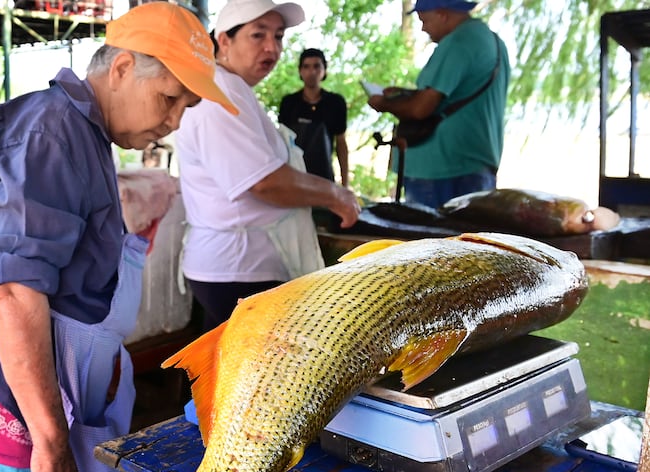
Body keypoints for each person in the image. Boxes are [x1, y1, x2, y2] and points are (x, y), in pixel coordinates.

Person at [0, 3, 237, 472]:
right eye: (169, 99)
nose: (172, 122)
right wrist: (52, 442)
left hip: (16, 369)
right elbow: (15, 292)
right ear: (123, 68)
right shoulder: (52, 131)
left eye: (184, 109)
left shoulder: (83, 133)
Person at [175, 0, 361, 332]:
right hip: (236, 269)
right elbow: (265, 182)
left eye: (278, 36)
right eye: (258, 35)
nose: (271, 48)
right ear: (224, 40)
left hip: (246, 265)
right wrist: (335, 195)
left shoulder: (235, 89)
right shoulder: (218, 94)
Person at [368, 0, 510, 209]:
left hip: (440, 168)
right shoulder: (493, 42)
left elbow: (421, 109)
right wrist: (406, 93)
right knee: (470, 238)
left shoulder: (458, 42)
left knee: (432, 239)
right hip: (477, 161)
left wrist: (384, 104)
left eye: (424, 20)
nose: (424, 28)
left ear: (442, 14)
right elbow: (457, 94)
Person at [278, 48, 350, 186]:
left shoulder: (335, 102)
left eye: (317, 66)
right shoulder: (289, 103)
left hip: (324, 177)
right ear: (300, 71)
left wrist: (345, 184)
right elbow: (282, 141)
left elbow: (341, 143)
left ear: (324, 70)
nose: (312, 72)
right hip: (294, 176)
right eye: (306, 66)